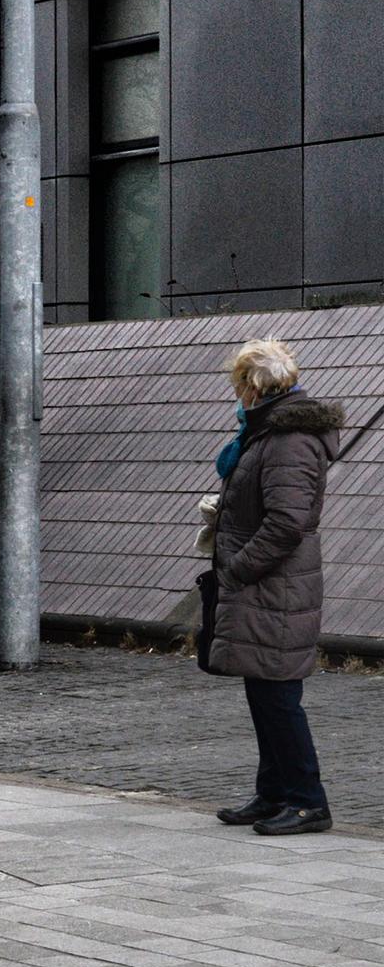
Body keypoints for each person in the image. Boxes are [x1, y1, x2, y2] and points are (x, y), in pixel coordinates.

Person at [207, 337, 343, 836]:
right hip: (268, 586)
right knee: (263, 691)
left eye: (238, 385)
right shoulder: (269, 434)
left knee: (279, 697)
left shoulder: (289, 441)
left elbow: (287, 523)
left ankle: (309, 802)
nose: (236, 394)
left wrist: (239, 567)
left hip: (275, 587)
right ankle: (273, 793)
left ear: (252, 386)